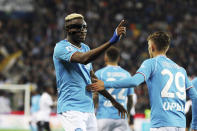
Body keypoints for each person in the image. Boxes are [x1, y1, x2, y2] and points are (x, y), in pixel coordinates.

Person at [87, 31, 197, 131]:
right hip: (180, 125)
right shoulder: (180, 70)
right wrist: (194, 125)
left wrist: (105, 84)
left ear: (152, 47)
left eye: (149, 46)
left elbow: (135, 81)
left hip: (161, 124)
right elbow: (195, 97)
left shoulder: (151, 63)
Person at [53, 13, 127, 131]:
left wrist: (114, 101)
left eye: (84, 27)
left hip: (88, 109)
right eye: (78, 27)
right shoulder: (60, 48)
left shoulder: (86, 48)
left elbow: (93, 80)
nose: (82, 30)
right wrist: (111, 41)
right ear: (67, 29)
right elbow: (83, 59)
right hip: (71, 108)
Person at [94, 46, 133, 131]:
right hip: (121, 118)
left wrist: (94, 110)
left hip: (103, 116)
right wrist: (128, 115)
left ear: (105, 58)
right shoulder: (127, 75)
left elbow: (95, 96)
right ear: (119, 58)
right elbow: (130, 98)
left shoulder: (100, 74)